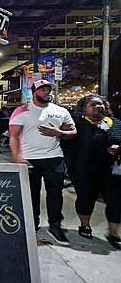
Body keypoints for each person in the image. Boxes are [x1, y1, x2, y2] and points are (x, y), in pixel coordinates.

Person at [9, 79, 77, 245]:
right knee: (31, 194)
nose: (47, 92)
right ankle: (32, 224)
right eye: (43, 89)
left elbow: (73, 132)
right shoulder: (21, 110)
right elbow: (14, 136)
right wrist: (17, 158)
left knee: (55, 195)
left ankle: (55, 226)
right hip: (30, 159)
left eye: (48, 89)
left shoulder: (60, 111)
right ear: (34, 92)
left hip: (54, 157)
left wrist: (58, 132)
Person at [65, 94, 121, 249]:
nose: (99, 107)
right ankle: (85, 225)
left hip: (111, 172)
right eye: (94, 104)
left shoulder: (115, 123)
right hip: (84, 170)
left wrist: (118, 148)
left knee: (116, 201)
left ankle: (113, 233)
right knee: (85, 199)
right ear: (84, 108)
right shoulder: (77, 124)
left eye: (101, 104)